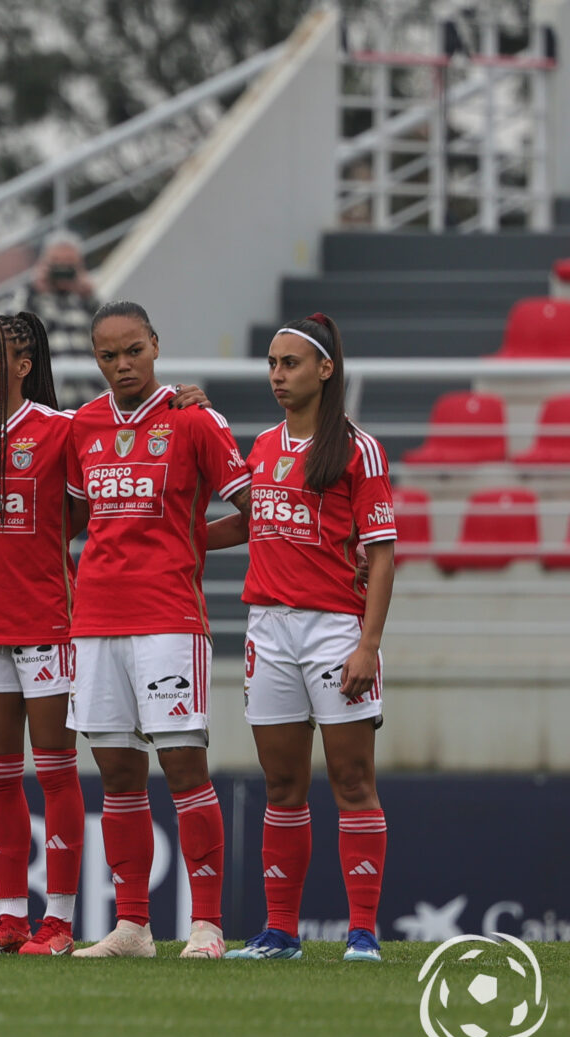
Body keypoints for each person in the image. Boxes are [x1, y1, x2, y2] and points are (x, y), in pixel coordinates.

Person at [206, 314, 395, 964]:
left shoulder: (357, 449)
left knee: (350, 778)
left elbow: (383, 553)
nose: (278, 376)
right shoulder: (262, 445)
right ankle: (280, 933)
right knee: (282, 782)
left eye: (290, 363)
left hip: (335, 628)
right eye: (272, 364)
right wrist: (177, 539)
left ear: (326, 369)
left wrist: (368, 644)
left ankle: (362, 933)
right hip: (269, 627)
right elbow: (249, 522)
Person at [67, 300, 252, 960]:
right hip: (95, 621)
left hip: (168, 617)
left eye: (133, 351)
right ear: (96, 359)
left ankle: (205, 924)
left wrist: (189, 540)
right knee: (117, 772)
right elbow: (72, 521)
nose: (122, 365)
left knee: (183, 766)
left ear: (155, 345)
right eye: (108, 355)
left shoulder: (194, 420)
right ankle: (134, 927)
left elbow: (257, 508)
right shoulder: (82, 426)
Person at [0, 312, 86, 956]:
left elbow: (90, 511)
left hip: (49, 625)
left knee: (56, 774)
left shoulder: (64, 431)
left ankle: (57, 920)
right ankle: (8, 918)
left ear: (23, 367)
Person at [0, 232, 98, 364]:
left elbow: (105, 336)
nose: (63, 270)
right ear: (43, 264)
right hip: (49, 380)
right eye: (56, 263)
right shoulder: (25, 296)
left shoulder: (85, 300)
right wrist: (33, 291)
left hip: (87, 381)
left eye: (69, 264)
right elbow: (4, 330)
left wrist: (89, 297)